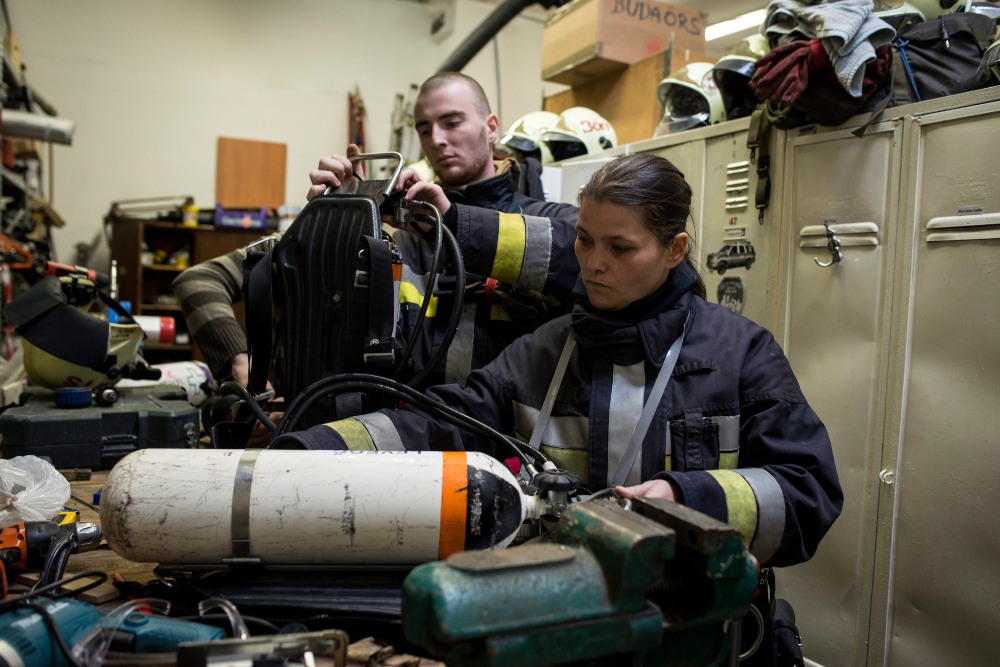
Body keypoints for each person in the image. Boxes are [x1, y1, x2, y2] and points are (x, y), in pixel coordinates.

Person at [273, 153, 843, 665]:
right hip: (564, 630)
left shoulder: (739, 354)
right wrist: (315, 450)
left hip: (694, 637)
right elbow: (443, 422)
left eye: (620, 248)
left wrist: (681, 500)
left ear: (674, 250)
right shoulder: (545, 350)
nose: (594, 263)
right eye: (585, 241)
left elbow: (808, 492)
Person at [174, 71, 580, 389]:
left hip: (510, 449)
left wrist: (453, 221)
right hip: (399, 442)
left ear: (491, 127)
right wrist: (334, 225)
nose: (436, 140)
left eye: (452, 122)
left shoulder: (552, 222)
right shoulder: (395, 231)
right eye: (424, 129)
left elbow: (595, 262)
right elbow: (201, 281)